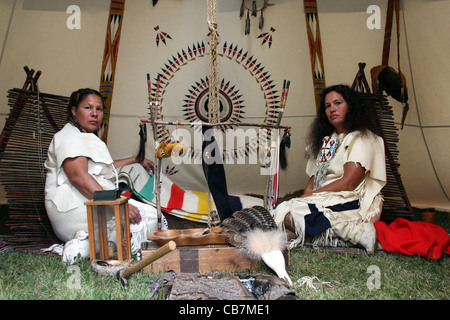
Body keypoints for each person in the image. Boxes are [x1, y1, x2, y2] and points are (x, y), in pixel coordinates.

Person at [44, 88, 166, 259]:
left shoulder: (81, 135)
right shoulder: (69, 138)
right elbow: (79, 177)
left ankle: (84, 245)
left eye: (99, 109)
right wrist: (117, 204)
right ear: (74, 111)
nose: (94, 114)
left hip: (84, 202)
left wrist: (135, 159)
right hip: (72, 209)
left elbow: (101, 169)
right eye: (88, 108)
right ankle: (89, 243)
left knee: (152, 217)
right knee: (149, 219)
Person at [272, 84, 386, 253]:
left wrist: (312, 196)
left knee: (288, 215)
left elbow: (349, 183)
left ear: (351, 106)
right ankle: (336, 237)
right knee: (281, 213)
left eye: (338, 103)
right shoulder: (329, 141)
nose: (332, 109)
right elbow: (314, 180)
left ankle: (351, 231)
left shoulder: (362, 138)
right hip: (324, 198)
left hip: (350, 199)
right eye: (328, 106)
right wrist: (305, 198)